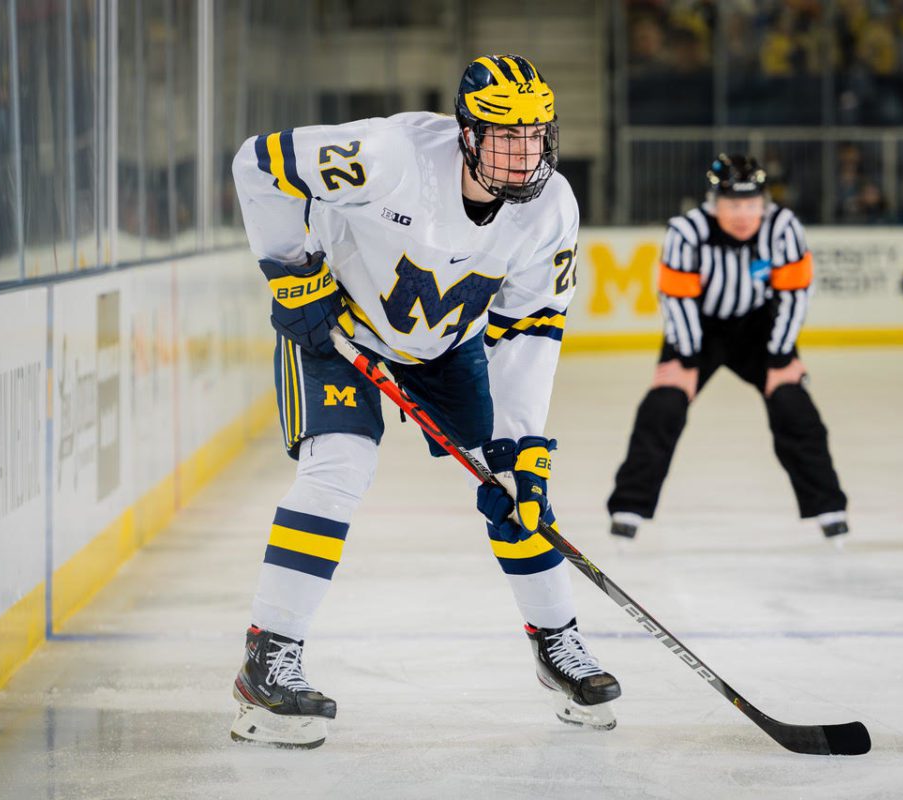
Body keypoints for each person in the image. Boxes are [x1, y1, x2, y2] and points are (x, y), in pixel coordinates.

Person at [228, 54, 620, 749]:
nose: (525, 153)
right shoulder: (387, 156)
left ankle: (555, 639)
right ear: (468, 134)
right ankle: (269, 654)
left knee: (515, 485)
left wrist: (521, 444)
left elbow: (531, 329)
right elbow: (258, 165)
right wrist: (290, 273)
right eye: (507, 136)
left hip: (448, 346)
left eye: (536, 135)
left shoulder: (551, 206)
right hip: (338, 330)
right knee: (339, 467)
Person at [606, 153, 848, 541]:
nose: (743, 214)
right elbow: (676, 298)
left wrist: (780, 358)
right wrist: (686, 359)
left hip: (758, 328)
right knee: (664, 405)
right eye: (733, 204)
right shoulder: (687, 230)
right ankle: (629, 508)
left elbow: (795, 294)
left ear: (763, 202)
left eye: (751, 204)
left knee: (792, 403)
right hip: (699, 328)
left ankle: (828, 507)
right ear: (714, 203)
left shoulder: (783, 227)